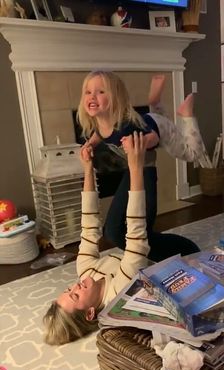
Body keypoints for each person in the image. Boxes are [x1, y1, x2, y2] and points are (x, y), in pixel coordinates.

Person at [43, 132, 199, 345]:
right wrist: (136, 167)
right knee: (119, 233)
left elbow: (88, 225)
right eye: (75, 296)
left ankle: (144, 162)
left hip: (149, 247)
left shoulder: (85, 271)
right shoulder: (118, 292)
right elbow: (136, 235)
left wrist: (87, 168)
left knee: (112, 232)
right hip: (184, 253)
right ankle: (145, 163)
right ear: (90, 313)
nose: (75, 286)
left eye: (69, 289)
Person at [76, 70, 205, 251]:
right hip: (143, 145)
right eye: (88, 92)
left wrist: (140, 143)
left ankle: (186, 113)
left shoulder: (125, 125)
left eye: (101, 92)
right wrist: (89, 144)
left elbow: (153, 136)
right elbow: (99, 134)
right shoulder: (100, 122)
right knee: (119, 230)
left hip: (158, 129)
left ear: (116, 98)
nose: (92, 96)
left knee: (191, 154)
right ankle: (154, 103)